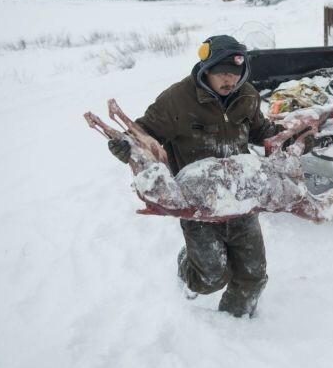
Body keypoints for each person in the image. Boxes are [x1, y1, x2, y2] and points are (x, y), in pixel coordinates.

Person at [108, 35, 280, 318]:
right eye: (223, 74)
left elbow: (260, 130)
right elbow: (144, 133)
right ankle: (187, 266)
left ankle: (234, 324)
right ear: (206, 70)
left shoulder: (247, 95)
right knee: (211, 277)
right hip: (196, 201)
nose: (230, 81)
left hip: (240, 196)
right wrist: (126, 147)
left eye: (236, 75)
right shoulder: (177, 100)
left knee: (253, 274)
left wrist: (290, 138)